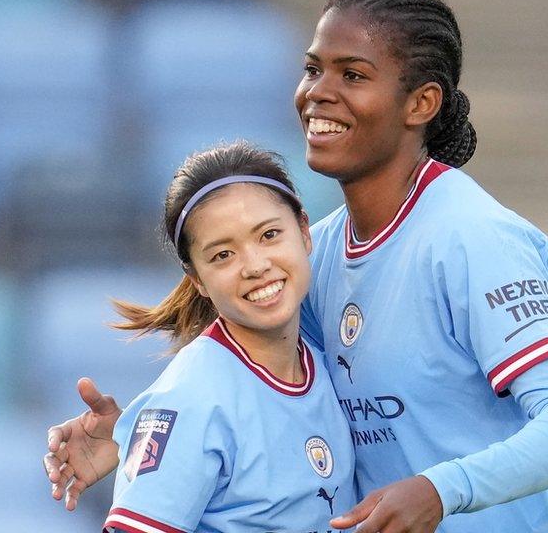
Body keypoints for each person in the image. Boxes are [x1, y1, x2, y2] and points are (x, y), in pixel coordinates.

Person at [44, 0, 548, 532]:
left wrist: (440, 491)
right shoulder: (316, 254)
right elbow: (255, 386)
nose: (317, 93)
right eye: (313, 68)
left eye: (352, 74)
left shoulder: (470, 237)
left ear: (420, 102)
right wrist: (133, 437)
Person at [98, 143, 357, 533]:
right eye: (223, 255)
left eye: (269, 235)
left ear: (304, 232)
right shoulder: (192, 396)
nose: (255, 266)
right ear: (197, 280)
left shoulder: (327, 359)